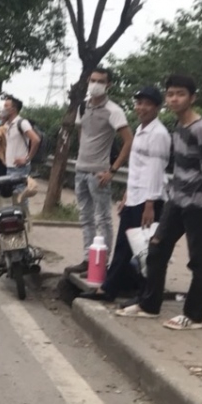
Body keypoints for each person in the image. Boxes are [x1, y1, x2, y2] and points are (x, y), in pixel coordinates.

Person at [119, 75, 202, 330]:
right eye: (170, 94)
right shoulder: (178, 127)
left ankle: (194, 316)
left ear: (192, 97)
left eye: (180, 94)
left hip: (198, 203)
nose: (174, 99)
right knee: (156, 250)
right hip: (176, 200)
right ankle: (149, 305)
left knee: (199, 260)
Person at [81, 86, 170, 303]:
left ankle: (133, 292)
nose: (142, 108)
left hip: (149, 200)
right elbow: (137, 169)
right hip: (136, 197)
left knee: (142, 249)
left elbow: (155, 172)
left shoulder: (158, 134)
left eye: (147, 104)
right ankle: (116, 288)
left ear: (157, 107)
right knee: (127, 246)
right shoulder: (140, 130)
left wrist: (149, 204)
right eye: (139, 103)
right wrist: (127, 196)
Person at [69, 67, 133, 275]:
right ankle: (89, 259)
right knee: (85, 217)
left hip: (99, 174)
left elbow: (128, 141)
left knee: (102, 219)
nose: (95, 84)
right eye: (93, 80)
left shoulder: (114, 110)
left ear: (108, 85)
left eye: (101, 81)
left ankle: (102, 263)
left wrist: (112, 170)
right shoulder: (82, 108)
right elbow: (82, 134)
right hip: (81, 170)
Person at [2, 97, 39, 214]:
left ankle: (25, 222)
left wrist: (27, 158)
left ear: (13, 109)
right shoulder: (8, 125)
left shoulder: (22, 123)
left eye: (6, 106)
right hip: (10, 167)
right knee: (14, 198)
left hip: (20, 167)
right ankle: (19, 222)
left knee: (20, 197)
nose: (3, 109)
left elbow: (36, 139)